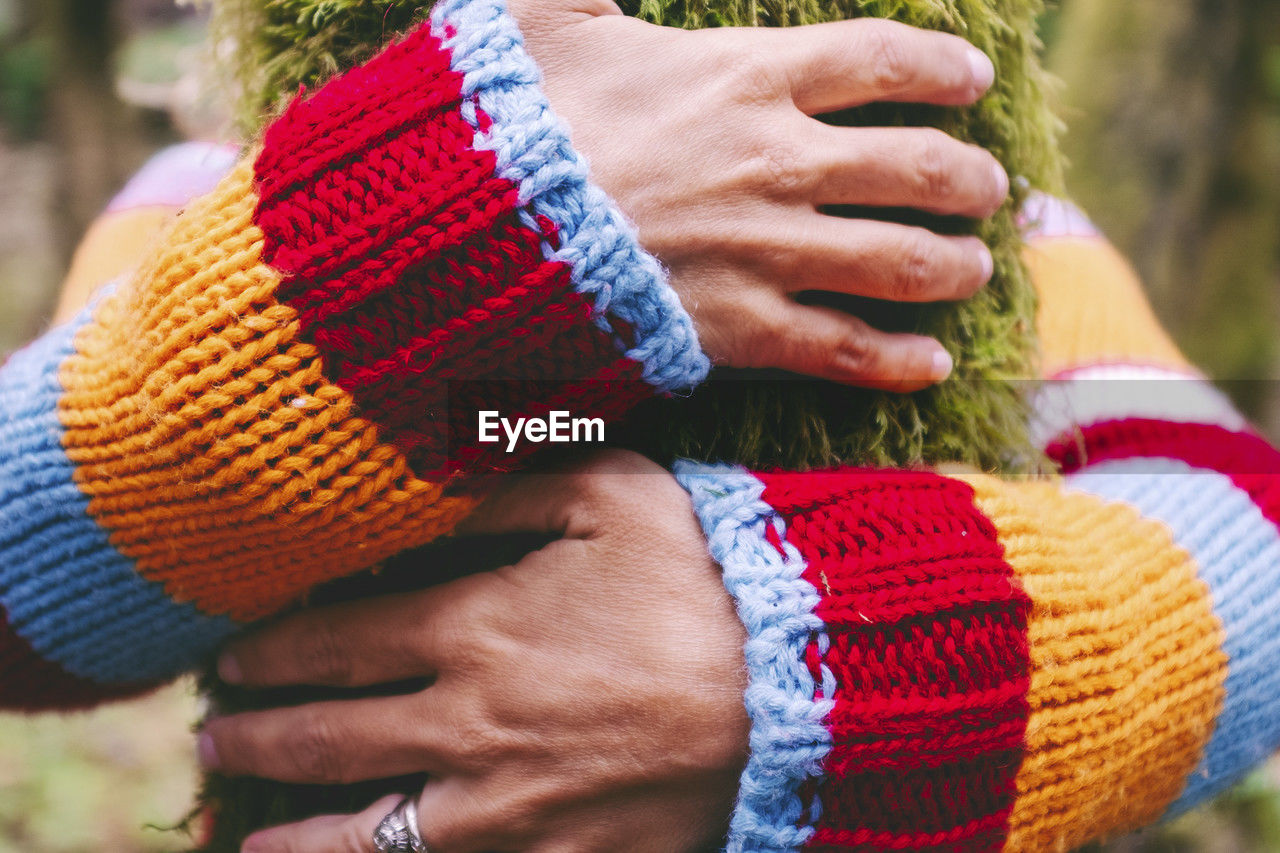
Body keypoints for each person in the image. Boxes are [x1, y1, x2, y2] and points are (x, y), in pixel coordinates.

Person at [3, 2, 1278, 853]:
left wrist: (822, 664)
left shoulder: (959, 219)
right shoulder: (197, 199)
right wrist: (440, 230)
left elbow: (1250, 530)